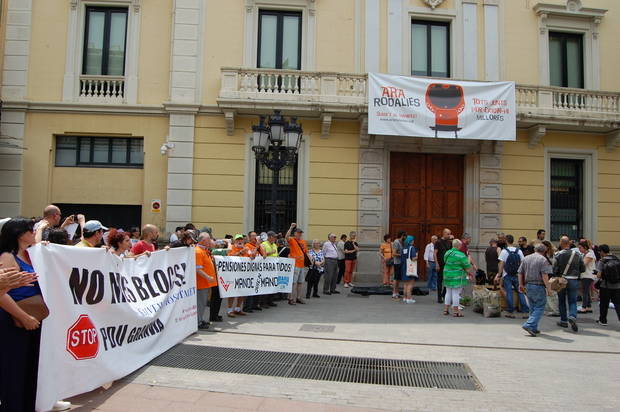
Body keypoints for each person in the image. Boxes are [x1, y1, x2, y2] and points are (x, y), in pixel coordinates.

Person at [0, 218, 43, 412]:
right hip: (13, 319)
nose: (34, 233)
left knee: (30, 367)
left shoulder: (29, 254)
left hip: (32, 317)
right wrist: (24, 317)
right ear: (19, 233)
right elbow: (2, 294)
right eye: (30, 230)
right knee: (14, 369)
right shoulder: (8, 257)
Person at [518, 243, 553, 336]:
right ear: (544, 251)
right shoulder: (543, 260)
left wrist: (520, 284)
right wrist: (549, 289)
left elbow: (520, 272)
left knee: (533, 307)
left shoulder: (526, 258)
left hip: (528, 285)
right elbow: (545, 275)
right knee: (540, 307)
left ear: (535, 249)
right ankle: (529, 324)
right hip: (538, 285)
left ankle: (534, 328)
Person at [553, 236, 585, 332]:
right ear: (569, 243)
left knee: (562, 301)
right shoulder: (578, 254)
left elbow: (555, 269)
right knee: (572, 301)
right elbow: (583, 268)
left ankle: (563, 320)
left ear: (561, 243)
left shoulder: (558, 254)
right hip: (574, 280)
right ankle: (572, 316)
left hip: (562, 280)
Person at [498, 234, 529, 318]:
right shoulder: (518, 251)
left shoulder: (504, 251)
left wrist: (499, 274)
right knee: (520, 292)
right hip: (517, 274)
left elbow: (501, 264)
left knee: (509, 292)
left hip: (507, 274)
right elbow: (523, 262)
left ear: (506, 241)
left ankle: (510, 312)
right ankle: (525, 312)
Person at [442, 239, 473, 317]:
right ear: (459, 246)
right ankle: (456, 311)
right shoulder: (461, 255)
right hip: (456, 276)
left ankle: (446, 310)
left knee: (448, 292)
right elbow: (467, 266)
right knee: (456, 293)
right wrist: (469, 259)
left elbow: (445, 261)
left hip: (447, 274)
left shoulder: (447, 252)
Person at [196, 232, 217, 330]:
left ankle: (200, 319)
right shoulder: (198, 251)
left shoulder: (203, 250)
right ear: (203, 240)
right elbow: (198, 269)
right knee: (200, 303)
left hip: (205, 283)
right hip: (201, 283)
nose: (210, 241)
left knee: (203, 303)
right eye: (209, 239)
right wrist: (208, 277)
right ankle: (198, 322)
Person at [595, 244, 620, 326]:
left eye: (599, 251)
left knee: (603, 304)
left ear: (602, 252)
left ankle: (603, 320)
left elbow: (599, 275)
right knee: (618, 304)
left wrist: (598, 273)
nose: (599, 253)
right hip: (617, 286)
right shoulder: (617, 259)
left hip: (605, 286)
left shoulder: (602, 261)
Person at [226, 234, 249, 317]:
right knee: (232, 292)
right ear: (235, 241)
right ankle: (229, 310)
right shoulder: (231, 247)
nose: (239, 241)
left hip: (243, 274)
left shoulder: (246, 248)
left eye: (241, 240)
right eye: (238, 240)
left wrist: (254, 252)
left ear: (243, 241)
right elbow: (229, 257)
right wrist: (239, 252)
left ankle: (238, 309)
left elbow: (251, 257)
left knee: (242, 292)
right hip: (233, 274)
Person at [286, 223, 308, 305]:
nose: (299, 234)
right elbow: (286, 237)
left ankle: (298, 297)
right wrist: (291, 227)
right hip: (295, 265)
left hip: (302, 265)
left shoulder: (303, 241)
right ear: (295, 233)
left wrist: (310, 261)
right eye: (298, 233)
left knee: (300, 282)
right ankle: (290, 298)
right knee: (293, 282)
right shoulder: (292, 240)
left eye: (300, 233)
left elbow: (306, 252)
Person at [258, 231, 279, 309]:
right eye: (274, 237)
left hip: (273, 268)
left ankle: (270, 300)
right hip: (266, 268)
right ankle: (263, 302)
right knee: (265, 284)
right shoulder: (263, 244)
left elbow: (276, 255)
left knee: (272, 284)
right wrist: (270, 252)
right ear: (270, 237)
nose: (275, 238)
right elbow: (262, 254)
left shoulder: (274, 245)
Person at [434, 228, 453, 303]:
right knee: (439, 280)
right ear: (444, 233)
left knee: (447, 280)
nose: (449, 235)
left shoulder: (450, 242)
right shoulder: (438, 242)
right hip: (440, 264)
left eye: (450, 234)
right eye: (448, 234)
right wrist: (436, 264)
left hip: (448, 265)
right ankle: (439, 297)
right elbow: (435, 253)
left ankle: (444, 294)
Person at [577, 240, 596, 314]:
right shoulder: (584, 254)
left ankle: (584, 307)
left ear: (585, 247)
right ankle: (588, 306)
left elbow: (583, 264)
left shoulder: (589, 254)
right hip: (585, 275)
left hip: (588, 275)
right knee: (586, 291)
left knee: (585, 291)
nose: (579, 249)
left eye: (580, 247)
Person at [400, 235, 417, 304]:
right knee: (410, 283)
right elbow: (413, 258)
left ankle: (405, 297)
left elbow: (401, 258)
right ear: (411, 241)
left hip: (404, 267)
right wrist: (417, 256)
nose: (413, 241)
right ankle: (409, 298)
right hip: (410, 268)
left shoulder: (404, 248)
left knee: (405, 284)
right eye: (413, 240)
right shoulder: (412, 248)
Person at [392, 231, 406, 299]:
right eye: (404, 236)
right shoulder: (396, 242)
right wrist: (402, 255)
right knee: (396, 278)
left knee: (399, 279)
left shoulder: (402, 242)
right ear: (402, 235)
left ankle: (397, 292)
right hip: (397, 262)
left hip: (401, 262)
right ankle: (394, 293)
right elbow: (394, 253)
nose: (405, 237)